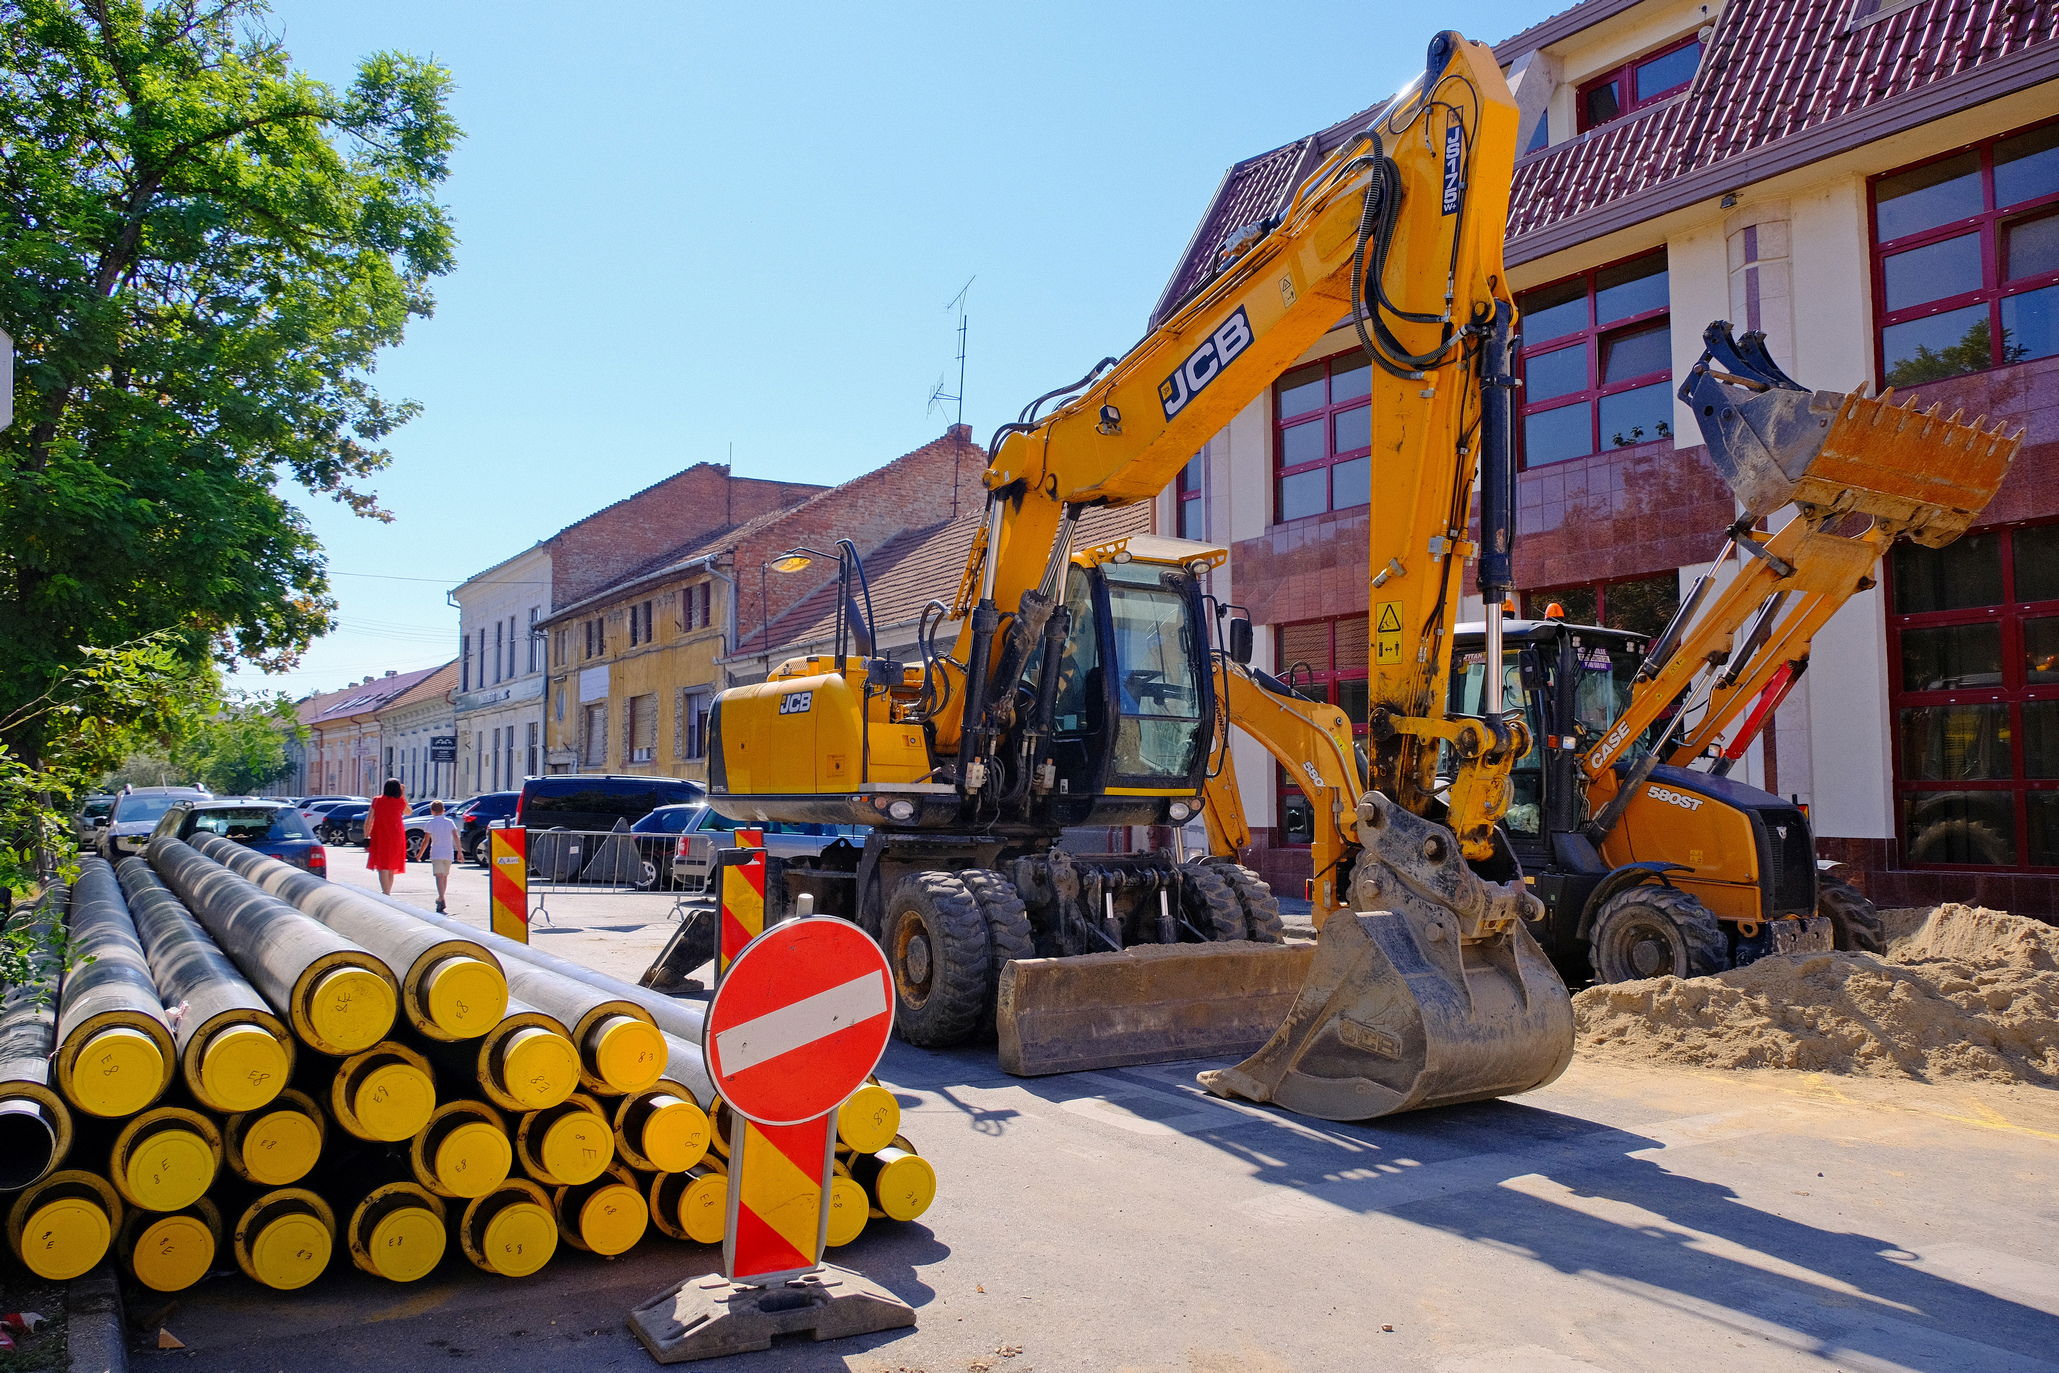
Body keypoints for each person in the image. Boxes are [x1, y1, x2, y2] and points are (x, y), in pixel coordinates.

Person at [365, 778, 409, 895]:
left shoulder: (377, 800)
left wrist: (366, 835)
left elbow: (369, 819)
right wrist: (403, 795)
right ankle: (387, 891)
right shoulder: (400, 802)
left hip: (380, 834)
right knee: (391, 866)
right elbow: (409, 812)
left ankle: (386, 892)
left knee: (382, 865)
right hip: (396, 835)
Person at [418, 800, 461, 913]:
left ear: (432, 811)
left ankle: (441, 898)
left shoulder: (430, 823)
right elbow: (456, 837)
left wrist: (420, 854)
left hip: (436, 852)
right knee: (444, 876)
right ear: (444, 810)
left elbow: (425, 841)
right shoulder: (449, 822)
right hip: (448, 852)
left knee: (438, 876)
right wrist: (460, 852)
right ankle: (441, 897)